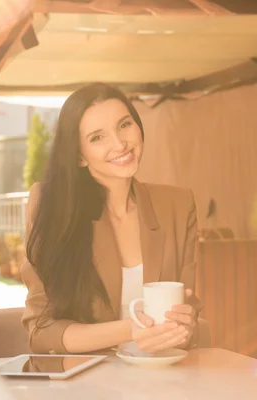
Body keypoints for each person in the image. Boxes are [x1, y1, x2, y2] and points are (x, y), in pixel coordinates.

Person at [21, 82, 202, 355]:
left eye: (124, 125)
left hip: (160, 381)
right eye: (97, 137)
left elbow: (188, 315)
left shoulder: (177, 205)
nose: (120, 144)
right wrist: (130, 329)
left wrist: (185, 328)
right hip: (83, 384)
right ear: (79, 156)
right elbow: (42, 332)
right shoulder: (51, 204)